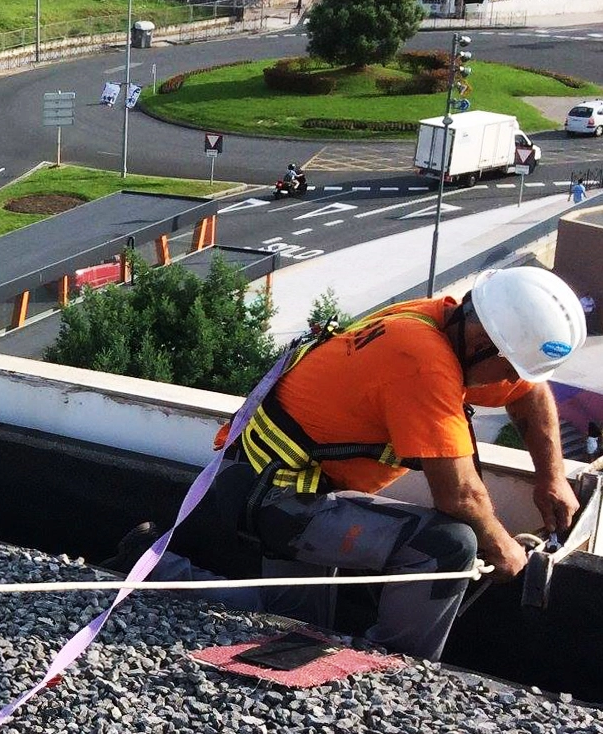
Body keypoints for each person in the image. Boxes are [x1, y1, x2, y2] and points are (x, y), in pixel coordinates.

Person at [129, 268, 587, 660]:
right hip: (278, 496)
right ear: (483, 339)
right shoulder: (421, 361)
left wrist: (551, 478)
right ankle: (394, 668)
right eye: (509, 368)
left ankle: (148, 565)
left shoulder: (447, 321)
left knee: (295, 623)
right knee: (446, 545)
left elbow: (530, 394)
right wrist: (505, 548)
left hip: (277, 483)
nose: (510, 382)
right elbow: (460, 496)